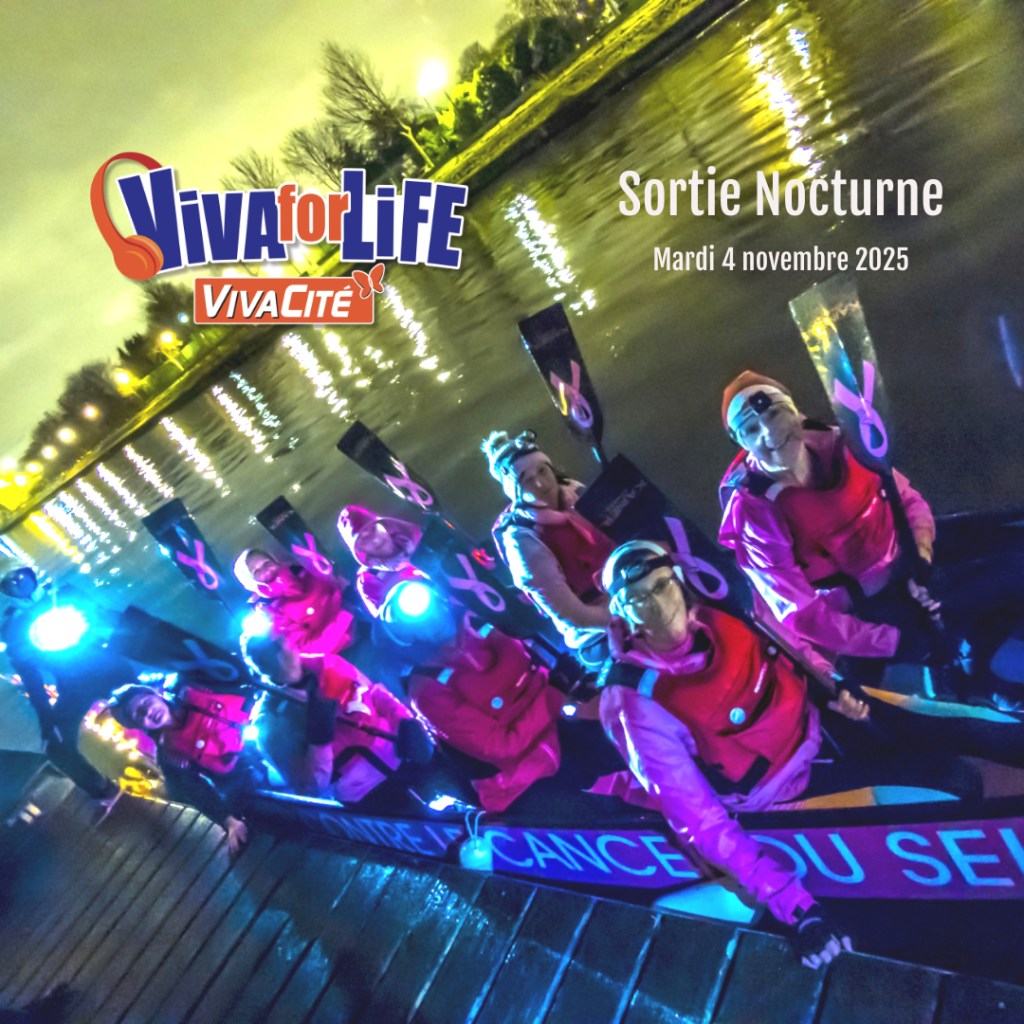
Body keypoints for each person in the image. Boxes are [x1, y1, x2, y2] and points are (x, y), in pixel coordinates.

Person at [597, 541, 1024, 967]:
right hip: (782, 789)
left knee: (973, 727)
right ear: (623, 615)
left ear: (678, 581)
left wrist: (833, 683)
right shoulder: (634, 701)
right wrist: (795, 907)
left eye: (661, 586)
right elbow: (699, 818)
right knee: (953, 782)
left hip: (820, 720)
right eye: (638, 600)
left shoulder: (728, 605)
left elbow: (794, 648)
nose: (657, 606)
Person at [717, 371, 1024, 698]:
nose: (769, 432)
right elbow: (801, 613)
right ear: (742, 443)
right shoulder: (754, 514)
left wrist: (921, 559)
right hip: (860, 609)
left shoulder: (846, 443)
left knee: (1013, 560)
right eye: (751, 429)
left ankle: (975, 650)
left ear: (795, 410)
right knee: (941, 639)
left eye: (775, 414)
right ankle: (976, 678)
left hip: (906, 558)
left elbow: (909, 501)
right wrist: (892, 641)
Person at [379, 576, 627, 816]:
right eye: (418, 620)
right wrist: (554, 693)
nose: (431, 619)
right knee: (609, 817)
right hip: (517, 783)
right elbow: (500, 746)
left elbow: (536, 671)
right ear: (407, 635)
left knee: (631, 741)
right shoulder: (427, 690)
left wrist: (564, 685)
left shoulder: (483, 623)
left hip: (560, 733)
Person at [243, 632, 440, 809]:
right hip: (364, 793)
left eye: (278, 643)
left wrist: (405, 720)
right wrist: (319, 743)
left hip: (402, 753)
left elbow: (373, 693)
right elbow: (308, 788)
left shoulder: (328, 664)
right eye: (267, 654)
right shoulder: (270, 721)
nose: (280, 653)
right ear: (260, 668)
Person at [482, 429, 613, 656]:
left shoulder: (574, 491)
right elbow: (572, 613)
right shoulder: (521, 540)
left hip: (631, 591)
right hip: (596, 632)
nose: (541, 484)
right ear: (515, 491)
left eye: (542, 471)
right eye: (527, 480)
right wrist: (625, 618)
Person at [1, 563, 123, 804]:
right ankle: (103, 790)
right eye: (9, 582)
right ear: (4, 590)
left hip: (109, 666)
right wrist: (46, 719)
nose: (18, 583)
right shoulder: (12, 628)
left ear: (31, 574)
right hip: (72, 685)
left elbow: (106, 618)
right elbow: (31, 678)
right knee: (56, 747)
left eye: (21, 576)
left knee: (153, 698)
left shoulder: (65, 593)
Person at [107, 678, 255, 854]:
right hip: (243, 776)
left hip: (257, 726)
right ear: (139, 726)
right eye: (139, 715)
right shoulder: (169, 755)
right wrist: (229, 821)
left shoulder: (193, 687)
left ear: (155, 694)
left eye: (146, 703)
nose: (148, 712)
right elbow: (196, 792)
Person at [232, 548, 355, 660]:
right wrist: (346, 612)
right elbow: (310, 647)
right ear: (250, 582)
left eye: (267, 563)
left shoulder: (302, 570)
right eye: (257, 571)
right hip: (340, 655)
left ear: (275, 561)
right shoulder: (271, 613)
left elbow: (334, 585)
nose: (266, 570)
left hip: (357, 620)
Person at [336, 506, 424, 618]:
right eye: (364, 539)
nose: (375, 540)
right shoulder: (368, 579)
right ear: (359, 550)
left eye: (373, 529)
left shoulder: (418, 539)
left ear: (383, 524)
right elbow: (384, 621)